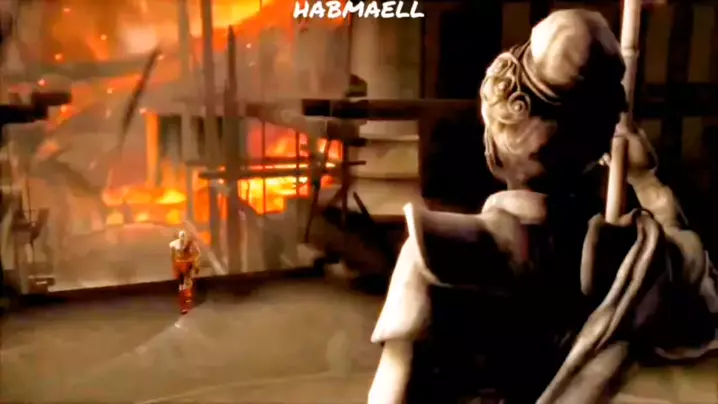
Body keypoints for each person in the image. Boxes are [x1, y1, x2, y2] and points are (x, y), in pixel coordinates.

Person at [368, 9, 718, 404]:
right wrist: (647, 182)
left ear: (497, 134)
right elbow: (703, 301)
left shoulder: (438, 254)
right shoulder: (633, 262)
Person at [169, 230, 201, 314]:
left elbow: (197, 253)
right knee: (182, 285)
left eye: (184, 236)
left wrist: (195, 263)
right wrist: (175, 266)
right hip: (180, 266)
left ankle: (187, 299)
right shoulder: (174, 245)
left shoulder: (190, 244)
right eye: (181, 236)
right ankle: (183, 304)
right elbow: (172, 257)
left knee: (187, 283)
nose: (182, 238)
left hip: (187, 265)